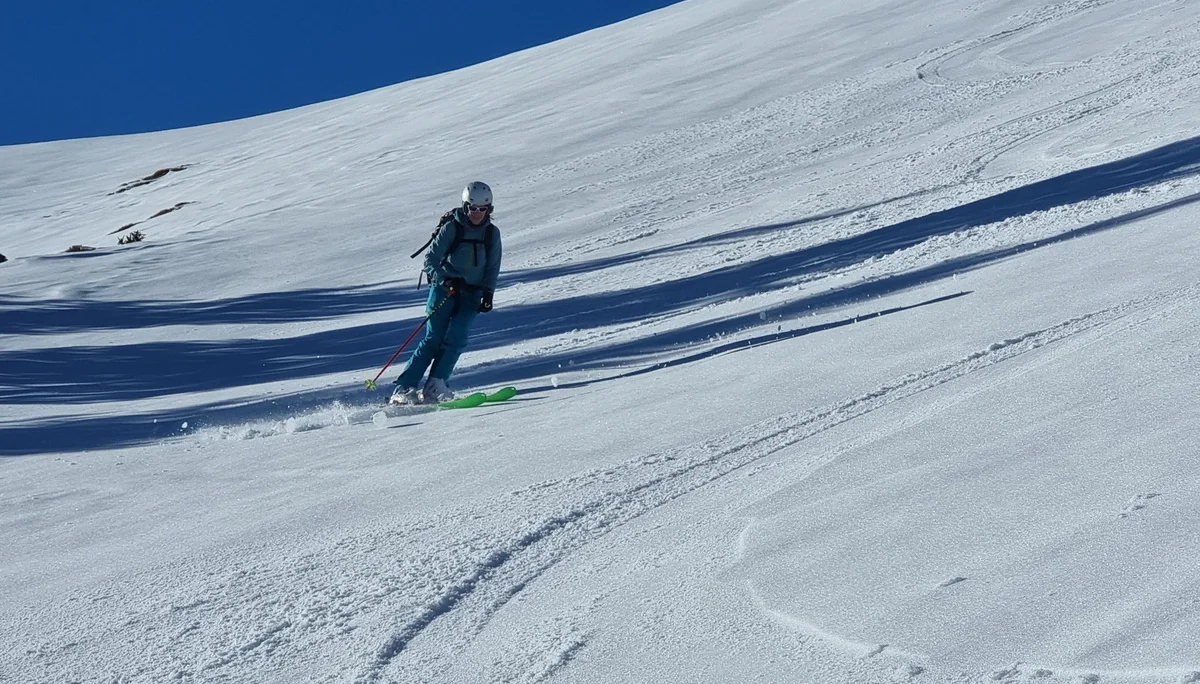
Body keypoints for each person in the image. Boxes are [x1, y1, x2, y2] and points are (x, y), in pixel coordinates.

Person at [391, 181, 503, 403]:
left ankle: (436, 384)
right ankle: (404, 389)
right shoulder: (452, 228)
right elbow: (430, 260)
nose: (477, 213)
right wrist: (446, 279)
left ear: (489, 209)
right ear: (465, 206)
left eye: (482, 209)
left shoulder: (491, 234)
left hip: (471, 295)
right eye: (473, 207)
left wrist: (488, 293)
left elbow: (492, 267)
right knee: (433, 339)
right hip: (444, 291)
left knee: (458, 338)